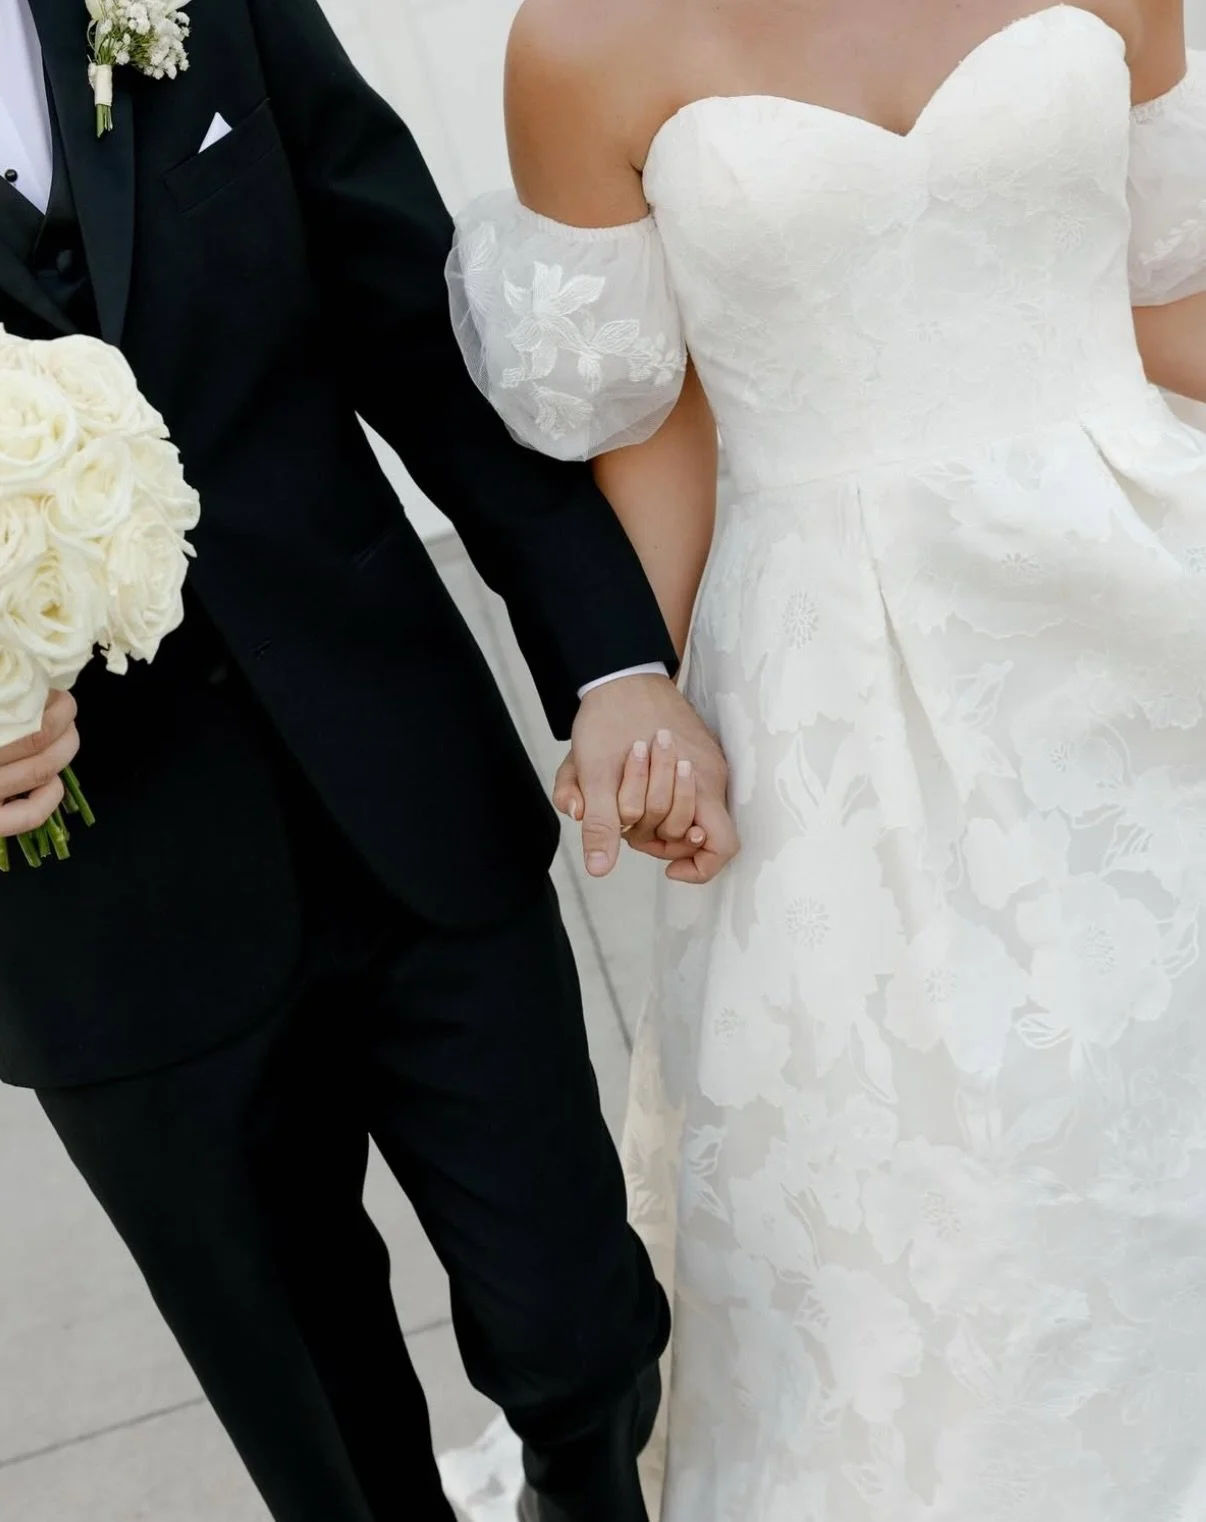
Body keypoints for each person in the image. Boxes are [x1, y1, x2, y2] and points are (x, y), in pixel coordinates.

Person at [447, 0, 1206, 1515]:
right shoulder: (585, 45)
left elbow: (1162, 300)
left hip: (1146, 598)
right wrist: (633, 690)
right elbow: (652, 423)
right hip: (842, 682)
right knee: (955, 1178)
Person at [0, 0, 741, 1518]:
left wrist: (609, 660)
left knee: (584, 1332)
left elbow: (413, 326)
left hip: (400, 789)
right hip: (103, 928)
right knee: (332, 1457)